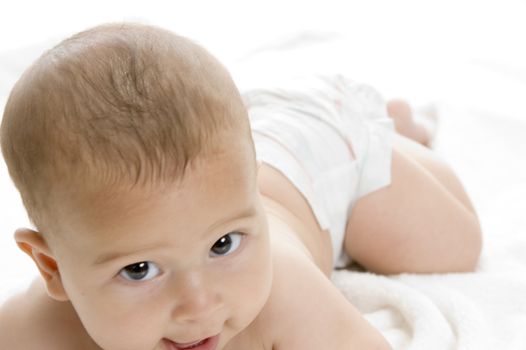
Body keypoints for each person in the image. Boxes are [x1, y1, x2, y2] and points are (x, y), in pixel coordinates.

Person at [0, 23, 482, 350]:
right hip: (255, 143)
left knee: (453, 243)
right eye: (140, 270)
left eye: (224, 244)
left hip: (325, 153)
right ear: (52, 267)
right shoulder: (35, 328)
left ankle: (393, 128)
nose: (200, 305)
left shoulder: (281, 293)